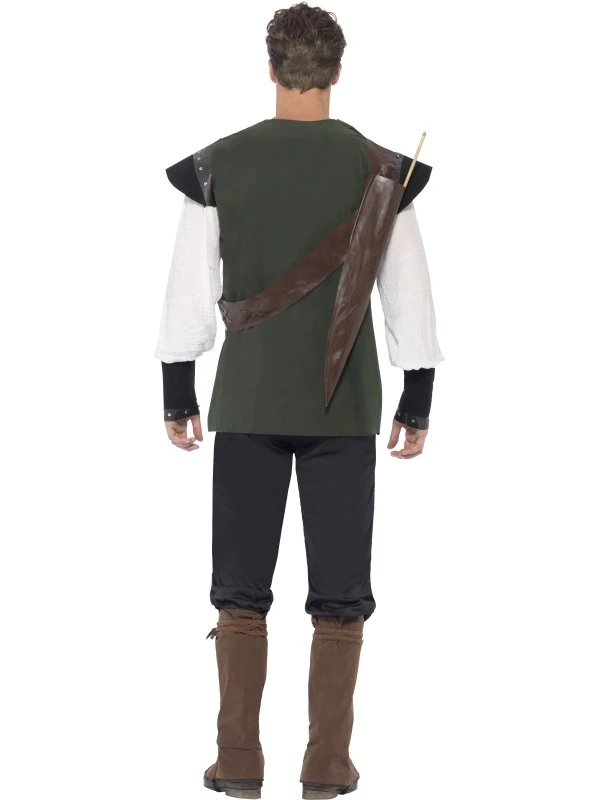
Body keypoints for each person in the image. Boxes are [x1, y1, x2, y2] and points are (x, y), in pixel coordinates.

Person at [154, 4, 444, 798]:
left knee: (239, 589)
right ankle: (326, 764)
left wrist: (178, 389)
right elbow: (409, 295)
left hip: (247, 402)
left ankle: (238, 759)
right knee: (341, 591)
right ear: (339, 71)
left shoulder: (220, 164)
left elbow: (189, 286)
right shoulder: (381, 168)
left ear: (271, 69)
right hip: (343, 408)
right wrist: (417, 398)